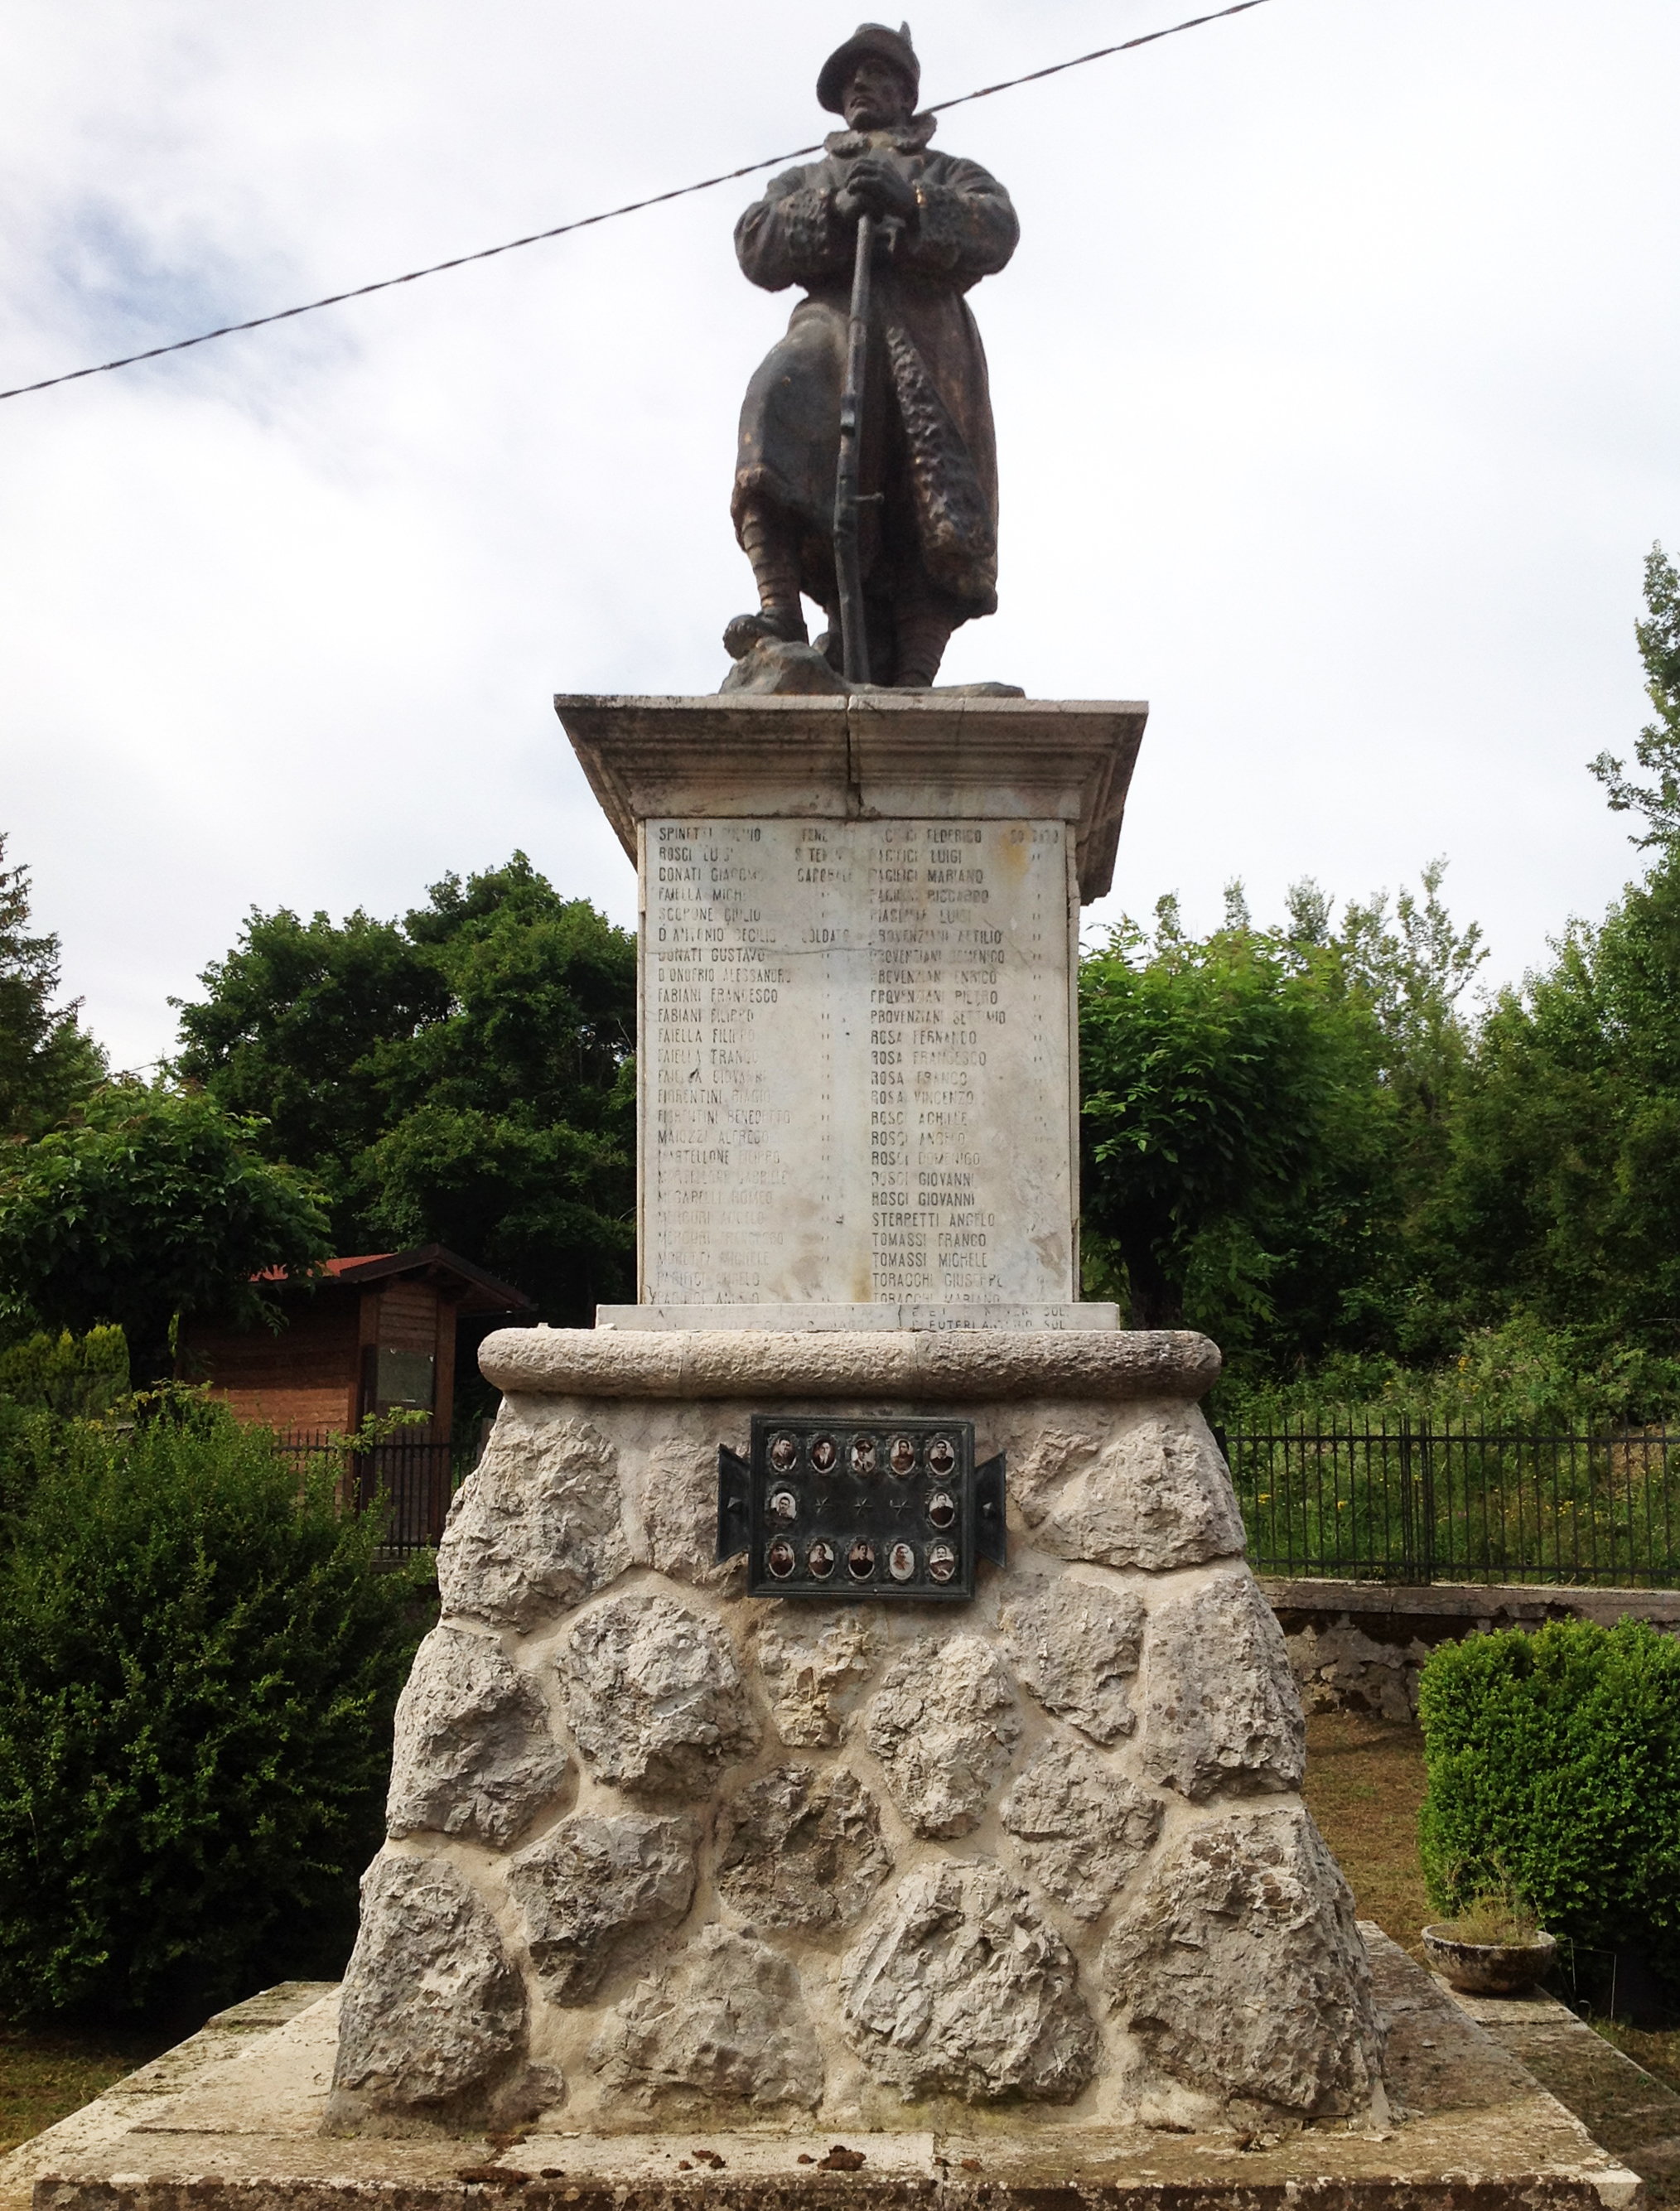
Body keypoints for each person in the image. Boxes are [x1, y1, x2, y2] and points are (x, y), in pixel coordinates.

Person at [727, 23, 1018, 688]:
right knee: (774, 405)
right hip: (832, 331)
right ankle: (781, 614)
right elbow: (756, 242)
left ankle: (917, 670)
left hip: (926, 342)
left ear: (905, 92)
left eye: (875, 73)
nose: (859, 84)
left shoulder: (945, 169)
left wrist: (913, 206)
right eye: (849, 77)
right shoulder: (809, 176)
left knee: (932, 502)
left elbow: (996, 224)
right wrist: (831, 210)